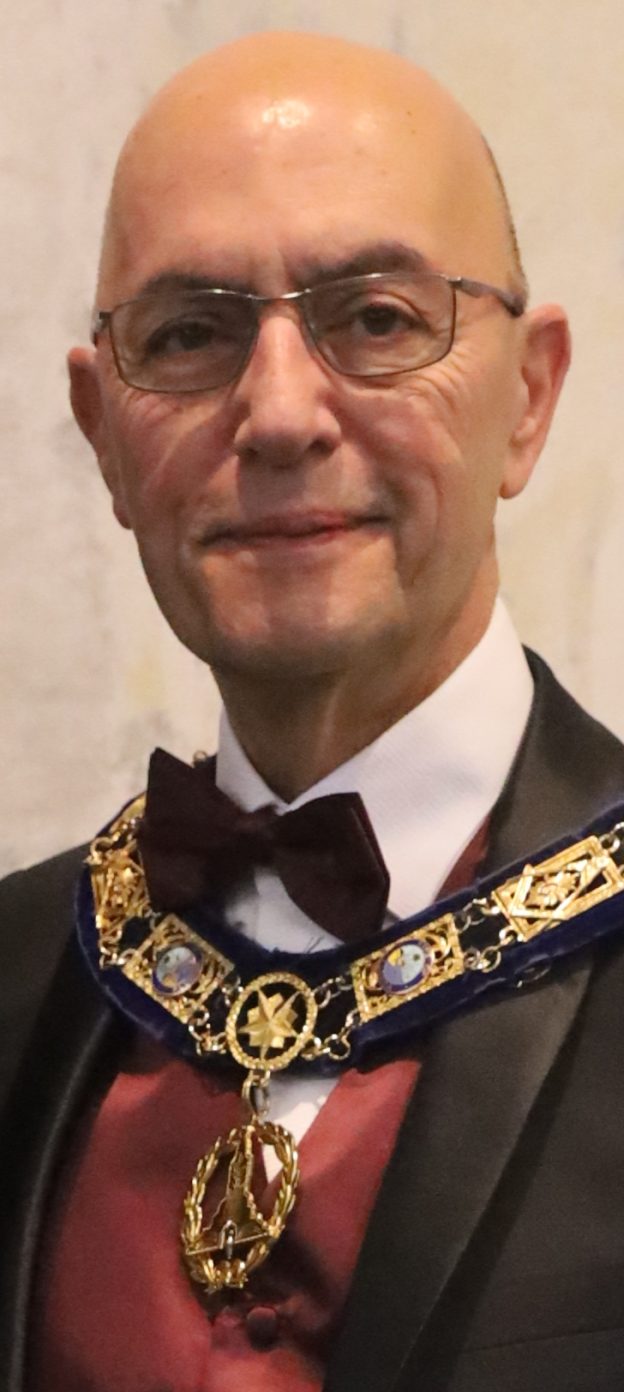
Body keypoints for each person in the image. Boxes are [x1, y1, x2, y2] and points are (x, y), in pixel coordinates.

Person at [2, 29, 624, 1392]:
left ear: (528, 397)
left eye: (377, 319)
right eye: (189, 335)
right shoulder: (19, 968)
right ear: (104, 435)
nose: (280, 414)